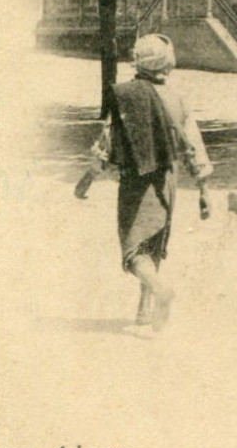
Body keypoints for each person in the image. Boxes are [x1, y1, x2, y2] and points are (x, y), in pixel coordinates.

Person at [75, 34, 213, 330]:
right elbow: (193, 145)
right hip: (168, 181)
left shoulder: (128, 96)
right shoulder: (178, 99)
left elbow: (106, 142)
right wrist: (204, 190)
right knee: (154, 245)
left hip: (137, 184)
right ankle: (144, 309)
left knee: (133, 252)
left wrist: (88, 178)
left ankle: (160, 292)